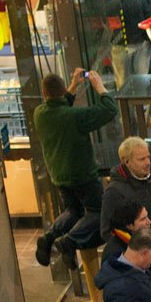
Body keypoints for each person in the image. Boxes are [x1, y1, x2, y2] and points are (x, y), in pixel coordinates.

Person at [31, 69, 116, 269]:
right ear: (61, 93)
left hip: (58, 176)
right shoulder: (75, 116)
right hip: (81, 175)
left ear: (44, 94)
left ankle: (49, 237)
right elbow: (109, 109)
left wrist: (73, 85)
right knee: (99, 211)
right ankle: (68, 241)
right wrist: (99, 86)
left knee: (74, 211)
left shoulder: (40, 114)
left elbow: (60, 104)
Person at [101, 137, 151, 284]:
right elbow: (107, 232)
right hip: (144, 270)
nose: (147, 163)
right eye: (141, 159)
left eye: (148, 157)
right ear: (126, 161)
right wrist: (137, 252)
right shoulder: (114, 192)